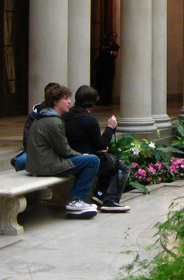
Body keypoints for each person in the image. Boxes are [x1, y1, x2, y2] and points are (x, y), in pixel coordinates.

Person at [25, 83, 100, 218]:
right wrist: (82, 155)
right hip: (46, 165)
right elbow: (64, 151)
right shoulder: (53, 121)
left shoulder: (43, 117)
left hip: (40, 164)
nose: (69, 102)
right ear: (55, 102)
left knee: (87, 160)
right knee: (92, 161)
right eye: (65, 99)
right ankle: (76, 200)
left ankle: (76, 200)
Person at [64, 85, 130, 213]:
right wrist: (110, 127)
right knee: (121, 167)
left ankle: (99, 196)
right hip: (86, 158)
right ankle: (110, 200)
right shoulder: (89, 120)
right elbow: (101, 144)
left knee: (108, 161)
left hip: (75, 154)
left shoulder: (67, 116)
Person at [11, 81, 59, 172]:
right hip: (39, 151)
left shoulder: (63, 114)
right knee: (22, 161)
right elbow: (27, 139)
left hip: (56, 152)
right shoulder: (35, 115)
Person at [94, 32, 120, 104]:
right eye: (112, 36)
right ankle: (97, 101)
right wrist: (111, 52)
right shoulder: (103, 42)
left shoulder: (116, 46)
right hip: (101, 67)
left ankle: (107, 101)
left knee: (108, 85)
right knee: (99, 84)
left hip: (110, 68)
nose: (113, 38)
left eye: (115, 37)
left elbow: (115, 55)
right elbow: (102, 51)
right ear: (109, 36)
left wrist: (108, 51)